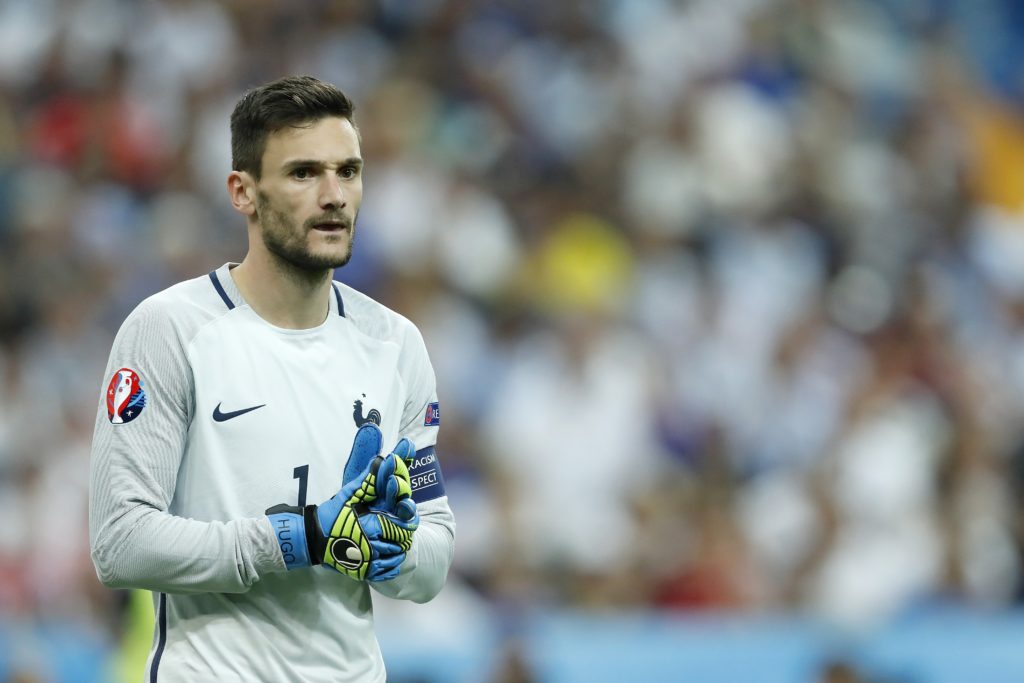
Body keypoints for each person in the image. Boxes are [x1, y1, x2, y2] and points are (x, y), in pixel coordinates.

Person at [88, 75, 455, 682]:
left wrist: (390, 550)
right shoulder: (171, 330)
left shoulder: (396, 345)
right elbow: (120, 542)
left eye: (349, 170)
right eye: (304, 173)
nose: (334, 195)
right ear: (243, 192)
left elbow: (434, 560)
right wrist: (300, 538)